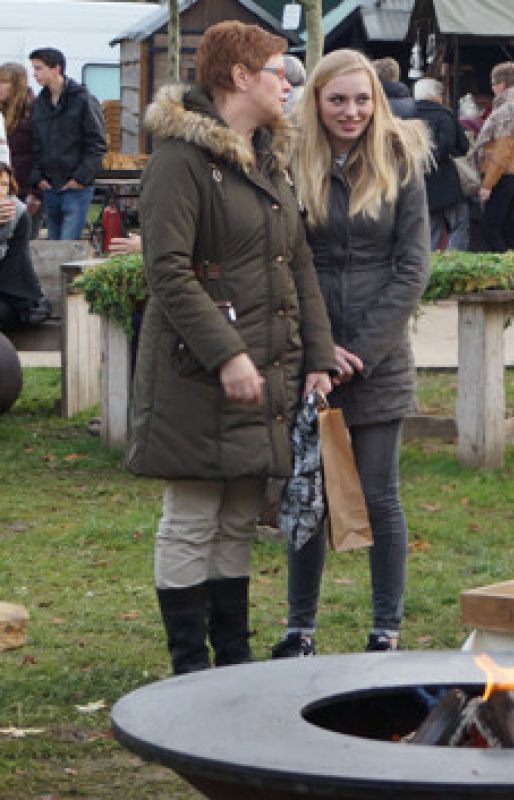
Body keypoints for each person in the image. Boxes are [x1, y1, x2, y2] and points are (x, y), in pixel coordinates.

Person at [127, 21, 335, 675]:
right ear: (240, 76)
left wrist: (319, 359)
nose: (288, 82)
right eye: (279, 69)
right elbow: (167, 272)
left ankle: (234, 657)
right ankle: (191, 666)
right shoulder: (178, 162)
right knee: (193, 515)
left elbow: (298, 266)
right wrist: (228, 354)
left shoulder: (266, 160)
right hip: (198, 374)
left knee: (240, 513)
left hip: (266, 371)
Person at [273, 48, 432, 658]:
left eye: (362, 99)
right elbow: (288, 257)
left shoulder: (401, 158)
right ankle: (299, 629)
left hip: (378, 355)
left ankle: (385, 629)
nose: (352, 111)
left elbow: (413, 266)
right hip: (309, 353)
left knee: (379, 493)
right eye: (338, 99)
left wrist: (360, 349)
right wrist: (318, 347)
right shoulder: (290, 158)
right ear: (315, 100)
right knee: (306, 491)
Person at [27, 47, 106, 242]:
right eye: (34, 69)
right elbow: (36, 144)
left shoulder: (83, 99)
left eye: (39, 68)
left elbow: (97, 143)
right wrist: (38, 178)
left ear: (56, 69)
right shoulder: (39, 104)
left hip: (75, 187)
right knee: (53, 244)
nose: (35, 74)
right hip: (50, 186)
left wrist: (80, 178)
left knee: (68, 246)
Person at [474, 61, 514, 252]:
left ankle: (504, 273)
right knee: (507, 229)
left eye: (493, 83)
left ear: (502, 84)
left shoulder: (508, 109)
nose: (492, 88)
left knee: (490, 228)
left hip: (504, 174)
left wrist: (487, 184)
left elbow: (503, 149)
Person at [412, 78, 469, 251]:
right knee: (459, 222)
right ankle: (454, 263)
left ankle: (431, 266)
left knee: (431, 226)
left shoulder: (408, 114)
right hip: (445, 179)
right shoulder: (444, 114)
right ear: (438, 95)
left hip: (418, 179)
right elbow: (461, 146)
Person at [0, 161, 49, 330]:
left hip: (7, 294)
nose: (1, 191)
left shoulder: (19, 214)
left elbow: (16, 263)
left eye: (4, 185)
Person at [0, 64, 38, 231]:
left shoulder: (33, 110)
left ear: (17, 85)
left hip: (25, 185)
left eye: (3, 81)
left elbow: (40, 152)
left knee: (24, 237)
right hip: (5, 186)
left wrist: (36, 192)